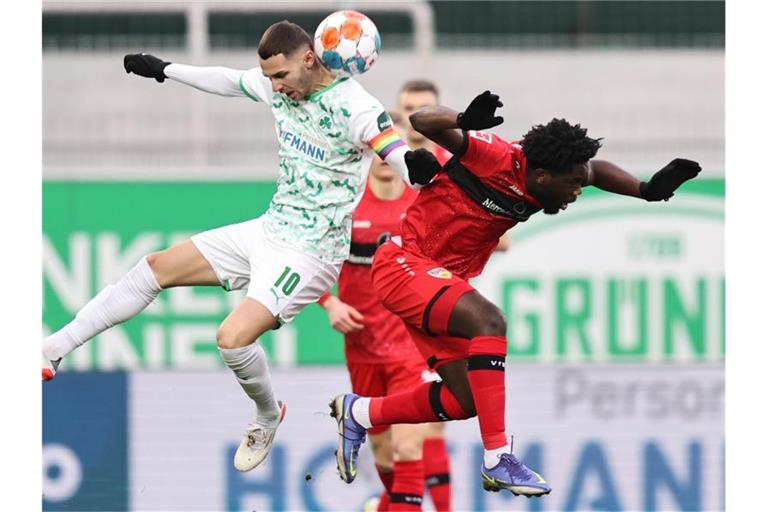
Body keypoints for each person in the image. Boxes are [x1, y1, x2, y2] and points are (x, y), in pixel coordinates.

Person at [41, 20, 437, 474]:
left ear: (309, 58)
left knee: (231, 338)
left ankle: (268, 415)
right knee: (155, 267)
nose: (274, 86)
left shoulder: (355, 106)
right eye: (268, 77)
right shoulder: (279, 85)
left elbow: (393, 153)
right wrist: (165, 69)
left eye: (280, 76)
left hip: (311, 254)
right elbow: (228, 80)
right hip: (269, 229)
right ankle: (53, 349)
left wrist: (416, 168)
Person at [330, 90, 701, 497]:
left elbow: (596, 171)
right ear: (542, 177)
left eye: (580, 183)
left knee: (465, 399)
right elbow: (422, 120)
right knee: (489, 321)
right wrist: (464, 118)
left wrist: (645, 189)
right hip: (404, 265)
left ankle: (360, 411)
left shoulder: (551, 175)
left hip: (436, 279)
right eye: (573, 185)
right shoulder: (495, 156)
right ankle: (497, 457)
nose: (578, 191)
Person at [320, 111, 450, 511]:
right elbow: (313, 261)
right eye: (374, 143)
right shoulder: (345, 202)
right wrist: (330, 303)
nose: (381, 152)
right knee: (382, 452)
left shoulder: (422, 203)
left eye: (390, 141)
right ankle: (386, 505)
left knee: (408, 445)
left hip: (411, 347)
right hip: (362, 347)